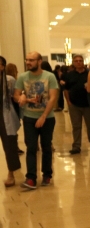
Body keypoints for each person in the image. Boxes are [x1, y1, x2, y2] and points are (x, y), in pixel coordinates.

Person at [13, 52, 58, 189]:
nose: (28, 62)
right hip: (29, 117)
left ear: (39, 61)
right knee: (31, 147)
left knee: (46, 146)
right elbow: (16, 95)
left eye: (31, 60)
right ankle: (31, 178)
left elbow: (53, 98)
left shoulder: (49, 76)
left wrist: (43, 116)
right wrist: (22, 98)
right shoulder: (23, 77)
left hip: (47, 118)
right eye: (27, 60)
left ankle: (47, 174)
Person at [64, 54, 90, 154]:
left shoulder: (89, 73)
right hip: (74, 104)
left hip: (87, 104)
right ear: (73, 63)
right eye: (76, 61)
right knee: (76, 126)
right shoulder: (69, 75)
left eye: (80, 61)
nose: (78, 62)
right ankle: (76, 146)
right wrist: (68, 102)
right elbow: (66, 89)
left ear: (83, 62)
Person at [0, 56, 21, 187]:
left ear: (3, 66)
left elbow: (16, 98)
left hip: (5, 115)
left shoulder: (9, 80)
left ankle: (11, 174)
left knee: (10, 146)